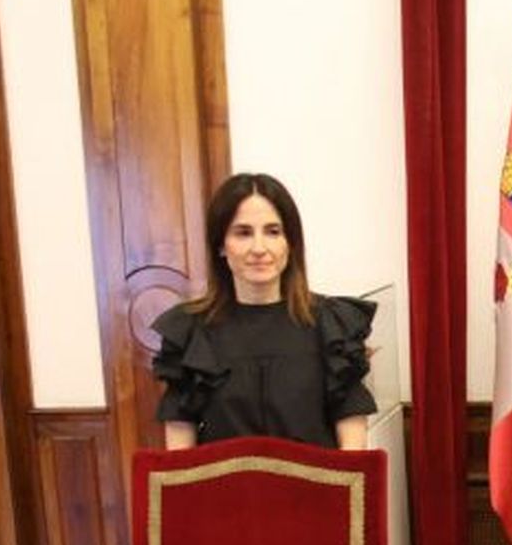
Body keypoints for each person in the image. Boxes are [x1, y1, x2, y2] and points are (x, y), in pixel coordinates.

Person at [151, 173, 376, 450]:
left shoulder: (333, 325)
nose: (259, 248)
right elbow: (179, 443)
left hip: (313, 492)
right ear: (221, 245)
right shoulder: (189, 331)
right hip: (223, 493)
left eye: (273, 231)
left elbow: (353, 441)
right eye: (243, 233)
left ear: (290, 243)